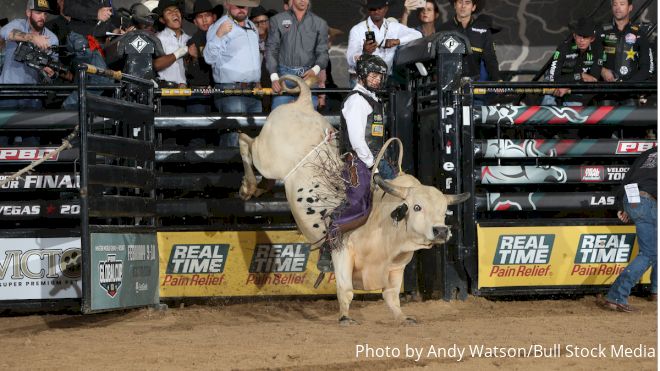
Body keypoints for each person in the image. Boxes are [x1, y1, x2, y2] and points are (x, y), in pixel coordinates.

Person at [317, 54, 390, 272]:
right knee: (358, 203)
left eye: (380, 76)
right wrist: (374, 167)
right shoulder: (357, 100)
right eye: (374, 75)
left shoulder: (370, 99)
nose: (378, 80)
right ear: (362, 75)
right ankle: (329, 244)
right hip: (359, 162)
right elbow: (358, 140)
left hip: (373, 160)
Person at [600, 147, 657, 312]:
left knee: (654, 248)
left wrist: (623, 206)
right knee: (649, 253)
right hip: (648, 201)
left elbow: (627, 180)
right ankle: (616, 296)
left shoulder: (649, 153)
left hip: (632, 198)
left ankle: (656, 291)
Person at [266, 0, 329, 110]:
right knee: (280, 118)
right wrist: (274, 77)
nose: (302, 0)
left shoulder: (320, 23)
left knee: (307, 122)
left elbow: (323, 53)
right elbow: (271, 50)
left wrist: (315, 70)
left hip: (308, 77)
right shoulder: (277, 20)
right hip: (283, 76)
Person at [346, 0, 422, 87]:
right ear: (368, 10)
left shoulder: (393, 27)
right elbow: (350, 59)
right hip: (362, 79)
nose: (376, 11)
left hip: (385, 79)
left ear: (386, 9)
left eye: (379, 8)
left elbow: (418, 35)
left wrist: (397, 41)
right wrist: (365, 53)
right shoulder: (357, 29)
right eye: (373, 9)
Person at [204, 0, 262, 114]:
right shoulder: (219, 26)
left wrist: (257, 80)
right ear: (227, 4)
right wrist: (218, 35)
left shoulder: (252, 26)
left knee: (254, 131)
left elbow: (254, 56)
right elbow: (209, 58)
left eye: (244, 6)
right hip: (230, 90)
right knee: (234, 131)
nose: (241, 9)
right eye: (237, 6)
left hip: (253, 90)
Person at [0, 0, 59, 110]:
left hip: (34, 95)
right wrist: (33, 38)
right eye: (38, 12)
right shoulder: (18, 24)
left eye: (45, 14)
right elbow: (4, 32)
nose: (42, 17)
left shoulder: (52, 38)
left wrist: (50, 72)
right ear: (28, 12)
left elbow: (54, 70)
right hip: (8, 92)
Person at [61, 0, 116, 109]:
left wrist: (115, 29)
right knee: (103, 79)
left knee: (88, 80)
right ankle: (68, 107)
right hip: (81, 38)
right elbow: (68, 8)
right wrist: (96, 13)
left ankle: (76, 119)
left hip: (95, 41)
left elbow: (104, 17)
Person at [592, 0, 653, 84]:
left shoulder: (640, 34)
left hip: (631, 92)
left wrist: (629, 85)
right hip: (605, 90)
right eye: (615, 4)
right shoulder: (601, 31)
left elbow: (647, 67)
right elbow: (589, 59)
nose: (618, 8)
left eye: (622, 4)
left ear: (630, 7)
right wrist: (601, 70)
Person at [542, 17, 599, 106]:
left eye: (586, 36)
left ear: (592, 38)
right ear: (574, 35)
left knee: (575, 110)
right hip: (554, 86)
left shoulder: (596, 51)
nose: (582, 40)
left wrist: (570, 85)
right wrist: (580, 76)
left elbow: (594, 79)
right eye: (579, 35)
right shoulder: (563, 48)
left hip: (576, 89)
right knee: (548, 109)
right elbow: (553, 78)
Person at [441, 0, 501, 82]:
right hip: (447, 84)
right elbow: (437, 60)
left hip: (474, 85)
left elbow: (490, 59)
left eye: (467, 2)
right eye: (460, 2)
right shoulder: (443, 29)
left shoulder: (483, 30)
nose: (463, 6)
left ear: (473, 7)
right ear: (455, 5)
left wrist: (497, 80)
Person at [185, 0, 221, 114]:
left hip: (218, 91)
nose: (204, 20)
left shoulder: (222, 38)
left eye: (207, 15)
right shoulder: (192, 42)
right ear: (195, 21)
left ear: (214, 17)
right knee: (198, 128)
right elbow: (191, 71)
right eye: (200, 17)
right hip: (198, 92)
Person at [250, 5, 277, 112]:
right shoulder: (247, 42)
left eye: (263, 21)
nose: (260, 25)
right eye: (256, 22)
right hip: (255, 90)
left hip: (274, 87)